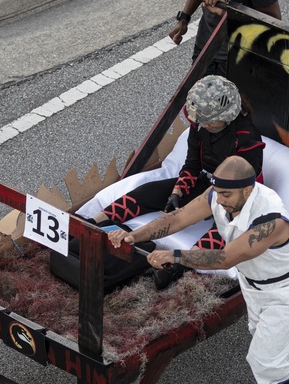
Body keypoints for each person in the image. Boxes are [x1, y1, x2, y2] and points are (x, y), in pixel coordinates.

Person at [108, 156, 289, 384]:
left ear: (248, 190)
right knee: (279, 336)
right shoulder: (218, 194)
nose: (220, 199)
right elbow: (178, 218)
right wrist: (135, 236)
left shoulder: (271, 222)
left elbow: (225, 258)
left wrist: (176, 256)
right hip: (255, 282)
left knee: (264, 358)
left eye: (226, 194)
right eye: (217, 192)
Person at [93, 74, 265, 289]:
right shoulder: (201, 126)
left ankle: (178, 267)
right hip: (207, 181)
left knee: (223, 229)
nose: (204, 124)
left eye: (209, 120)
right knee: (147, 192)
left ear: (227, 115)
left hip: (239, 194)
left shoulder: (247, 137)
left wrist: (211, 202)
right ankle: (92, 224)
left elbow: (242, 181)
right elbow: (193, 165)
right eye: (201, 120)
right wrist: (178, 192)